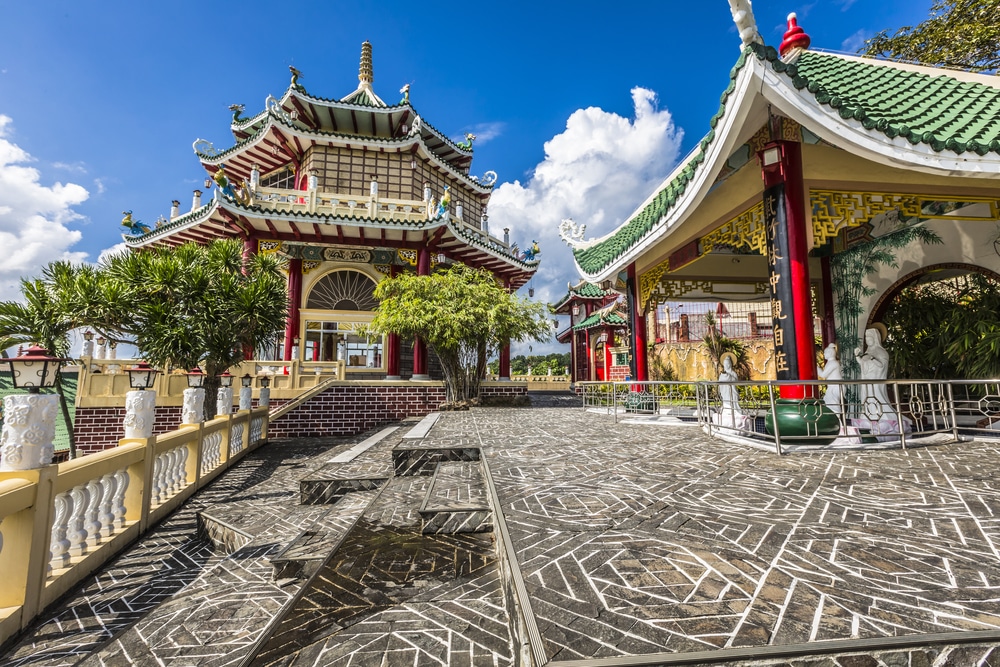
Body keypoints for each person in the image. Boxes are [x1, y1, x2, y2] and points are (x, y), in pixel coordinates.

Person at [716, 352, 745, 429]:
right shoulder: (722, 374)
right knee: (726, 402)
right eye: (725, 364)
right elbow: (720, 382)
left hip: (732, 392)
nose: (727, 365)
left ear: (731, 364)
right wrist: (724, 376)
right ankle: (726, 410)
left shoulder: (733, 373)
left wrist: (728, 376)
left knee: (733, 400)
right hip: (725, 392)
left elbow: (735, 381)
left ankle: (735, 411)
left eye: (728, 364)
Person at [818, 343, 842, 414]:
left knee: (833, 404)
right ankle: (835, 419)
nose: (824, 354)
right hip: (832, 386)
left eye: (825, 353)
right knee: (828, 402)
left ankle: (837, 420)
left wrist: (816, 367)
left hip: (836, 386)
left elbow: (823, 375)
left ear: (830, 353)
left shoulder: (833, 363)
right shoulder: (830, 362)